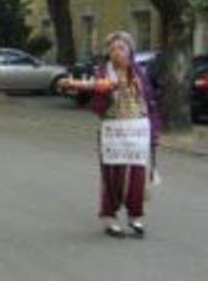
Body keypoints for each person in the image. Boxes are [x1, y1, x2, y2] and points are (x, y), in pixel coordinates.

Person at [62, 31, 160, 238]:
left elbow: (150, 103)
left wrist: (154, 132)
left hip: (137, 133)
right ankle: (109, 216)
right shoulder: (102, 73)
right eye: (113, 48)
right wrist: (77, 86)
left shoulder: (139, 73)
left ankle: (135, 216)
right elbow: (93, 97)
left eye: (121, 48)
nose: (117, 52)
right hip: (113, 133)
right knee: (112, 176)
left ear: (130, 51)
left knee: (137, 177)